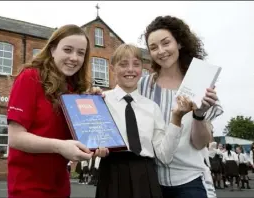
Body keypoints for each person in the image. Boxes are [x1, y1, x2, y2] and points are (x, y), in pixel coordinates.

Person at [7, 24, 96, 198]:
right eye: (68, 50)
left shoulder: (73, 90)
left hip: (60, 186)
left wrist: (95, 104)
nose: (74, 57)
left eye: (80, 53)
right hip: (28, 188)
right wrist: (60, 146)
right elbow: (15, 138)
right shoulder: (30, 77)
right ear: (53, 49)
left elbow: (81, 136)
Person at [94, 44, 195, 198]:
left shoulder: (152, 107)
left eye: (136, 64)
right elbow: (88, 139)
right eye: (123, 64)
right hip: (111, 172)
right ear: (113, 68)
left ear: (142, 69)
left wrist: (176, 118)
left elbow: (165, 156)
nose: (130, 69)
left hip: (145, 175)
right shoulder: (100, 100)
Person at [139, 15, 224, 198]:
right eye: (153, 47)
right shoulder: (144, 85)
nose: (161, 51)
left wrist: (199, 114)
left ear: (179, 43)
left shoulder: (200, 82)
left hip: (190, 180)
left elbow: (200, 143)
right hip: (151, 180)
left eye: (166, 43)